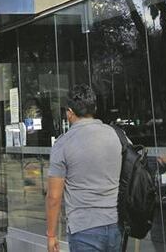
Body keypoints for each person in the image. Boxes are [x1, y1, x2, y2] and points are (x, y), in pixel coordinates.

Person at [46, 84, 122, 252]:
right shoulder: (117, 135)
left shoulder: (63, 144)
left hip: (84, 229)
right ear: (93, 108)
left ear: (69, 112)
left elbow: (54, 197)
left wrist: (51, 235)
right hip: (116, 225)